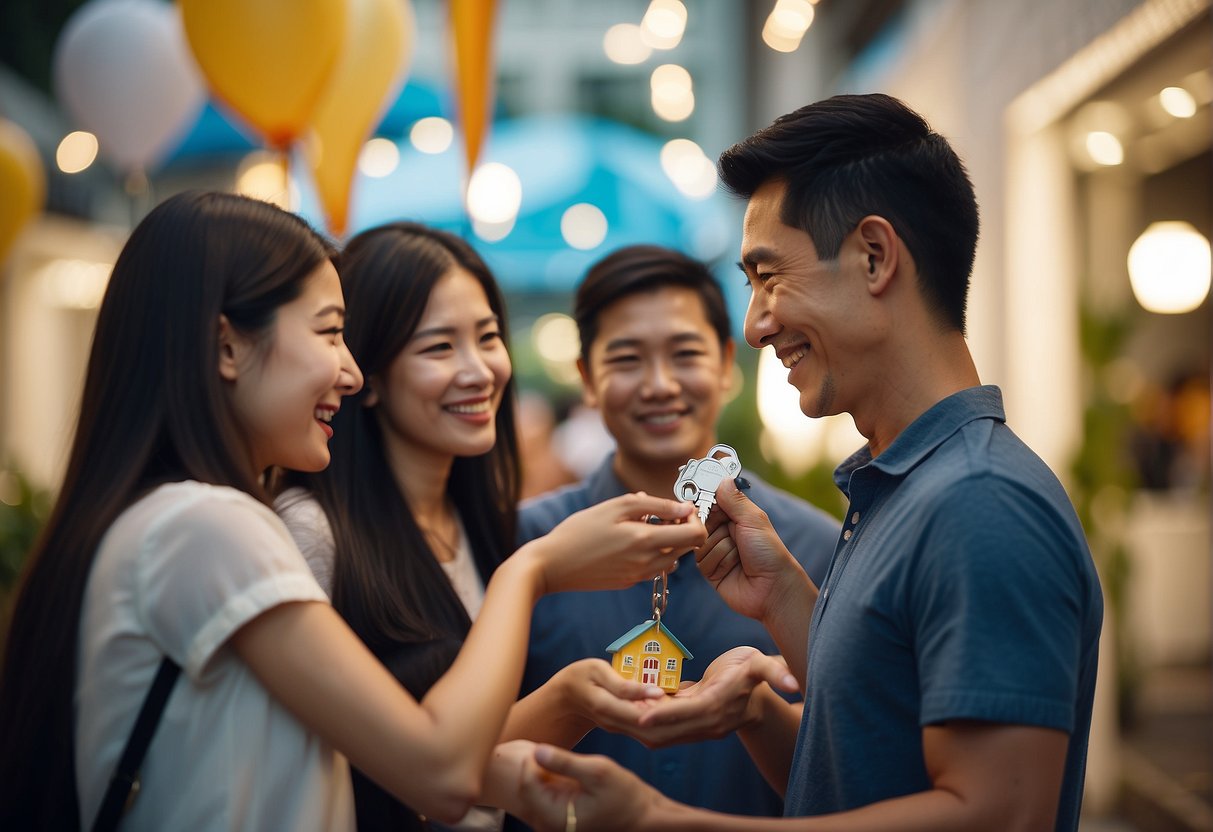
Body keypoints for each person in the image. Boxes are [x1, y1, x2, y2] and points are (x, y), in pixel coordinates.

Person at [0, 192, 704, 830]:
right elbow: (438, 770)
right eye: (330, 332)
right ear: (223, 345)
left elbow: (332, 757)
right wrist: (534, 568)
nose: (350, 369)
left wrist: (540, 745)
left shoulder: (167, 521)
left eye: (487, 337)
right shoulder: (209, 526)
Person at [515, 93, 1105, 832]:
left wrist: (659, 821)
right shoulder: (902, 489)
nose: (757, 325)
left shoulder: (978, 501)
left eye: (769, 277)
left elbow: (995, 814)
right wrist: (777, 634)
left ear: (873, 256)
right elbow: (866, 765)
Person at [276, 223, 707, 831]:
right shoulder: (313, 536)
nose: (479, 371)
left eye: (487, 337)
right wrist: (537, 572)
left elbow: (464, 762)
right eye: (438, 347)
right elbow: (396, 772)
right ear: (364, 376)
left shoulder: (482, 524)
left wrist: (573, 698)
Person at [508, 244, 839, 823]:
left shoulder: (813, 549)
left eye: (685, 353)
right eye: (627, 359)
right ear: (587, 378)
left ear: (724, 365)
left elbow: (849, 761)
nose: (659, 385)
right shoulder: (526, 545)